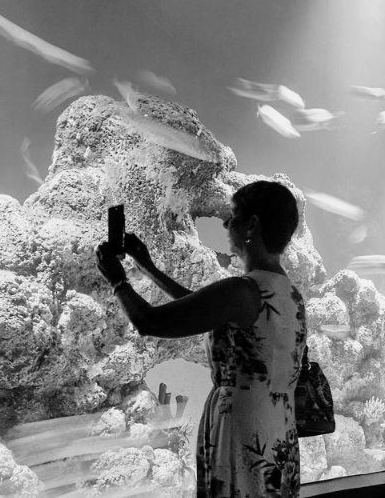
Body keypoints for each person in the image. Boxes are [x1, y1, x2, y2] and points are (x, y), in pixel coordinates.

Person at [95, 180, 306, 498]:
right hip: (278, 430)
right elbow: (202, 308)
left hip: (241, 433)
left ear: (252, 224)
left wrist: (118, 281)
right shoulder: (289, 293)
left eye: (232, 215)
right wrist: (149, 267)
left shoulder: (242, 291)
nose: (226, 223)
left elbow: (149, 321)